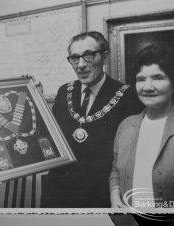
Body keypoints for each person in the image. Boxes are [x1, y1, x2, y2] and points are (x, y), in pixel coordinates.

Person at [40, 31, 142, 208]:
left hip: (100, 194)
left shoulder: (128, 95)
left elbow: (128, 158)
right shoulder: (64, 91)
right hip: (59, 192)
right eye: (74, 58)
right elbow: (53, 140)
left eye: (88, 56)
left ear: (105, 56)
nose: (80, 65)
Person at [109, 43, 174, 210]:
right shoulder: (125, 126)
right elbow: (115, 170)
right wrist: (114, 194)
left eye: (158, 78)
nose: (147, 87)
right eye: (141, 79)